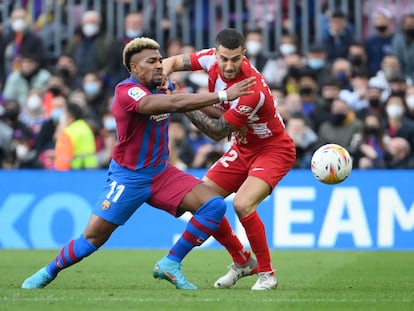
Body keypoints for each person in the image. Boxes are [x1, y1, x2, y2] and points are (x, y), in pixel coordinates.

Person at [21, 37, 255, 290]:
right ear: (135, 68)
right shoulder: (127, 92)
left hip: (161, 173)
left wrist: (232, 117)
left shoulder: (164, 87)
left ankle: (171, 263)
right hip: (128, 177)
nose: (159, 65)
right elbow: (174, 103)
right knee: (92, 239)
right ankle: (49, 271)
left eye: (160, 60)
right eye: (152, 61)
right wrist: (222, 94)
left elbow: (183, 100)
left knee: (214, 206)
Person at [162, 28, 296, 290]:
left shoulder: (251, 90)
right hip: (243, 147)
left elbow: (216, 130)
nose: (229, 65)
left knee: (243, 204)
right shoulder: (210, 59)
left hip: (273, 149)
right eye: (224, 58)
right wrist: (164, 81)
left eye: (235, 59)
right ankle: (242, 260)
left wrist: (180, 100)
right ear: (216, 53)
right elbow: (172, 62)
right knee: (203, 202)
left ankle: (267, 274)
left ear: (243, 55)